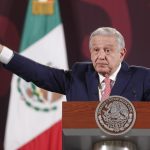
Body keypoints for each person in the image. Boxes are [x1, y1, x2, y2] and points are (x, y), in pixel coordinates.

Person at [0, 27, 150, 101]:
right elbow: (39, 73)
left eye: (108, 50)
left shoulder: (142, 78)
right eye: (96, 50)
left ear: (122, 53)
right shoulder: (78, 76)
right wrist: (3, 53)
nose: (101, 56)